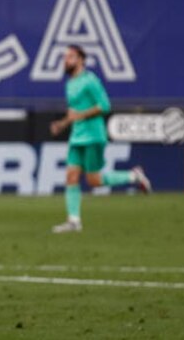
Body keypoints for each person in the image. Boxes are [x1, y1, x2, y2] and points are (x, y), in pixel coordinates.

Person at [50, 44, 151, 233]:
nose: (66, 60)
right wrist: (62, 124)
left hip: (93, 136)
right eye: (64, 57)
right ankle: (73, 221)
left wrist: (81, 115)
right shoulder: (70, 84)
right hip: (76, 136)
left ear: (81, 59)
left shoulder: (90, 81)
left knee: (94, 181)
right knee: (71, 177)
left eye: (70, 56)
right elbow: (74, 113)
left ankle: (134, 176)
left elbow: (104, 105)